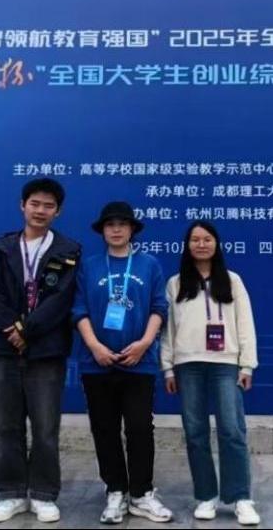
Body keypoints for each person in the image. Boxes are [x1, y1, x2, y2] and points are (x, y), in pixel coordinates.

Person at [0, 178, 82, 523]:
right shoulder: (0, 248)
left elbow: (61, 299)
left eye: (48, 206)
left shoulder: (68, 251)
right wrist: (12, 329)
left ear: (58, 211)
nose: (40, 211)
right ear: (22, 206)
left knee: (45, 428)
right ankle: (10, 493)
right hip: (5, 349)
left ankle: (43, 494)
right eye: (35, 204)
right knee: (6, 425)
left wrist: (27, 330)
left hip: (46, 350)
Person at [72, 201, 173, 524]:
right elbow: (79, 310)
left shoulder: (149, 264)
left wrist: (144, 344)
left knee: (140, 428)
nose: (116, 229)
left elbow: (159, 308)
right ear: (102, 230)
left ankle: (141, 493)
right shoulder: (89, 266)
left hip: (138, 363)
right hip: (97, 362)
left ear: (132, 229)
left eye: (122, 224)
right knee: (105, 428)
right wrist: (95, 346)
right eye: (110, 224)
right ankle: (115, 491)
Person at [162, 220, 261, 525]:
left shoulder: (232, 281)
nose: (201, 244)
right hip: (187, 364)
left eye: (207, 239)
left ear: (216, 244)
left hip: (225, 364)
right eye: (195, 239)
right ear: (187, 245)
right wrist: (168, 368)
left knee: (232, 430)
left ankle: (241, 497)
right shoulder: (176, 283)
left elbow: (245, 324)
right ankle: (206, 496)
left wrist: (247, 364)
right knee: (195, 432)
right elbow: (168, 330)